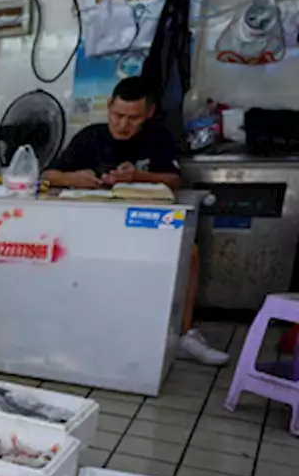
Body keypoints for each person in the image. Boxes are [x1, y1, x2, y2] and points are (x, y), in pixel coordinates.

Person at [43, 77, 227, 366]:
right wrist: (72, 178)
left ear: (148, 114)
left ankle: (185, 334)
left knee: (189, 252)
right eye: (117, 116)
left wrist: (138, 177)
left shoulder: (159, 137)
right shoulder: (90, 137)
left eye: (133, 118)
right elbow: (49, 175)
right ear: (109, 108)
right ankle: (76, 328)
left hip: (143, 225)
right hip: (94, 226)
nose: (123, 125)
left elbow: (174, 180)